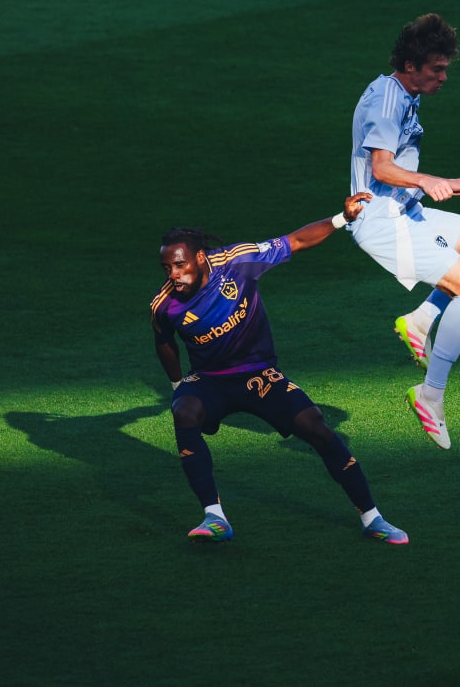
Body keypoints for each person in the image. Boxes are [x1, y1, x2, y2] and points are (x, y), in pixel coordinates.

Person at [151, 192, 408, 545]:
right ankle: (214, 517)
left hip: (258, 373)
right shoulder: (165, 305)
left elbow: (296, 241)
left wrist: (341, 219)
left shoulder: (237, 263)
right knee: (184, 410)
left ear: (200, 257)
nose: (174, 275)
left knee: (315, 426)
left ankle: (372, 518)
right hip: (211, 381)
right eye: (167, 268)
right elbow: (163, 340)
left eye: (180, 266)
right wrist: (179, 383)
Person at [346, 13, 460, 451]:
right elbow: (381, 166)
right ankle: (430, 395)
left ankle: (420, 320)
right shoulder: (388, 99)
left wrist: (443, 183)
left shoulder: (403, 92)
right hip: (383, 224)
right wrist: (426, 181)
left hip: (405, 210)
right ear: (410, 65)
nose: (443, 77)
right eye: (436, 69)